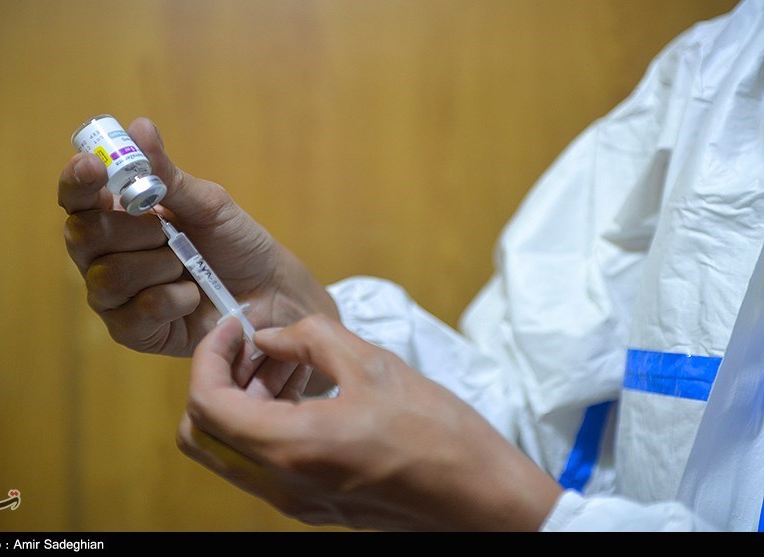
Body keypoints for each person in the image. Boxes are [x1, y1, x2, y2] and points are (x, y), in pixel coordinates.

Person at [58, 0, 764, 531]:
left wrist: (510, 511)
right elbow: (550, 417)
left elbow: (527, 489)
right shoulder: (721, 68)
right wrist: (311, 322)